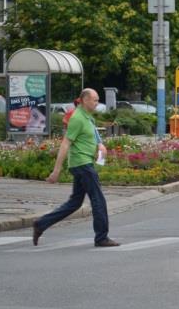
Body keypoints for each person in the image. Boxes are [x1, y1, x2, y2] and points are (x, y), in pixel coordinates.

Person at [32, 88, 119, 247]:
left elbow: (93, 133)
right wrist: (56, 170)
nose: (97, 102)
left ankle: (41, 224)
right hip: (82, 164)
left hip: (83, 163)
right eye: (94, 99)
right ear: (85, 100)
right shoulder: (77, 118)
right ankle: (101, 237)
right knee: (98, 200)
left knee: (75, 203)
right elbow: (66, 143)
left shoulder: (88, 117)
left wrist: (99, 144)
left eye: (97, 99)